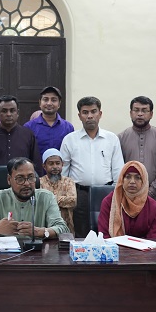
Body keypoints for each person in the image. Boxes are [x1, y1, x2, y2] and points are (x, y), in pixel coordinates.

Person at [60, 96, 124, 237]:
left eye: (93, 111)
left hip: (105, 192)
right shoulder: (70, 140)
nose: (89, 116)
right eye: (85, 112)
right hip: (79, 193)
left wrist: (115, 194)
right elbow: (63, 172)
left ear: (100, 114)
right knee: (81, 232)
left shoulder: (111, 139)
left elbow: (118, 169)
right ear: (79, 116)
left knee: (105, 231)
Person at [0, 157, 69, 239]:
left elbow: (63, 229)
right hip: (3, 255)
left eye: (31, 177)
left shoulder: (46, 197)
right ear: (9, 179)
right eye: (20, 179)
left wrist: (39, 231)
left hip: (38, 255)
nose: (27, 183)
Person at [118, 96, 156, 228]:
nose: (140, 114)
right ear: (130, 113)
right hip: (129, 197)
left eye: (144, 110)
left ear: (151, 114)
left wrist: (151, 191)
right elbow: (119, 167)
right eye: (136, 110)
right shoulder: (121, 138)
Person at [98, 161, 156, 239]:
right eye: (128, 177)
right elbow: (104, 235)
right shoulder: (109, 202)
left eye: (137, 177)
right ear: (122, 179)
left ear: (143, 181)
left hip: (144, 246)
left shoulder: (153, 207)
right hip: (115, 246)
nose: (132, 182)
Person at [0, 95, 43, 176]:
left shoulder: (28, 135)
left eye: (12, 110)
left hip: (23, 182)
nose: (8, 114)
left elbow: (36, 166)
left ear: (17, 113)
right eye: (4, 111)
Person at [24, 86, 74, 160]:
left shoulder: (68, 128)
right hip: (36, 167)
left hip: (62, 167)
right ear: (40, 103)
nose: (49, 103)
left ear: (59, 104)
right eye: (45, 99)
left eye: (54, 100)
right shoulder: (29, 127)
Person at [39, 148, 76, 233]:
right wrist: (62, 200)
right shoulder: (39, 182)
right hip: (44, 228)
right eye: (51, 164)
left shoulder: (69, 182)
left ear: (62, 164)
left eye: (58, 163)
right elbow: (40, 203)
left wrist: (49, 200)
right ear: (44, 166)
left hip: (67, 227)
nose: (55, 167)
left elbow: (72, 201)